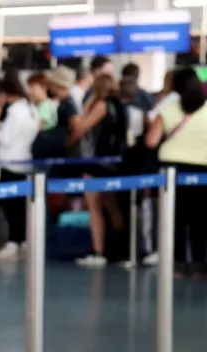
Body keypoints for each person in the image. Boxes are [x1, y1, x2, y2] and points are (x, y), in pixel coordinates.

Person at [145, 67, 207, 277]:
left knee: (175, 219)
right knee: (201, 219)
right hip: (203, 169)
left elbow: (151, 141)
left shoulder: (169, 108)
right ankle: (200, 265)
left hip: (173, 169)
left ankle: (177, 265)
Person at [76, 74, 127, 268]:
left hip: (96, 162)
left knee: (94, 208)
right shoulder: (120, 105)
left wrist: (87, 105)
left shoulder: (100, 105)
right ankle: (122, 249)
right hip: (114, 162)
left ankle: (98, 250)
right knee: (113, 207)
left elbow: (81, 126)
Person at [0, 75, 39, 260]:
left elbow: (5, 138)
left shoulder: (14, 112)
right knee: (21, 206)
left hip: (9, 162)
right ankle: (23, 242)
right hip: (25, 161)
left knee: (10, 207)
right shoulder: (30, 108)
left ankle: (13, 242)